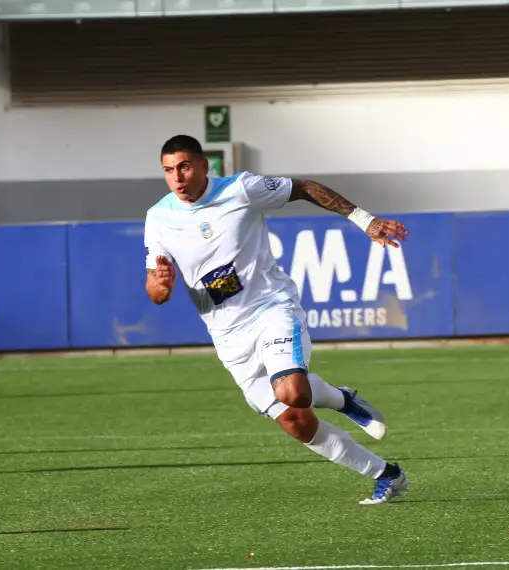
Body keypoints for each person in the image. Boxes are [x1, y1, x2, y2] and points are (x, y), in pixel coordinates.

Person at [144, 134, 410, 505]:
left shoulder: (242, 189)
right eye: (169, 171)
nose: (178, 178)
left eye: (185, 167)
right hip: (226, 335)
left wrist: (363, 220)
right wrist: (160, 284)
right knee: (296, 422)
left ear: (205, 165)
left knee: (292, 392)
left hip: (271, 308)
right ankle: (387, 474)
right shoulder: (158, 217)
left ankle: (338, 398)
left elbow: (305, 188)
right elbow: (155, 292)